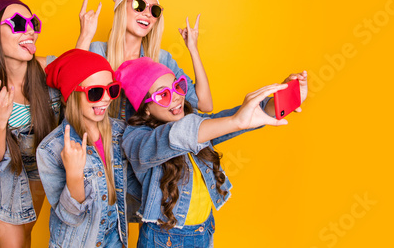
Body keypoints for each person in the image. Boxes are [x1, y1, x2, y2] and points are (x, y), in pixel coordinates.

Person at [114, 57, 308, 247]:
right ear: (145, 108)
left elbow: (237, 119)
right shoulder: (137, 139)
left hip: (204, 230)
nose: (176, 97)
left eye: (178, 86)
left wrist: (284, 97)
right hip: (165, 239)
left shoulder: (194, 121)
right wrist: (235, 121)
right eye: (163, 95)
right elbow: (175, 136)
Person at [0, 0, 60, 247]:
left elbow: (84, 79)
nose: (30, 30)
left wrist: (85, 35)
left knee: (25, 237)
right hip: (2, 176)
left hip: (39, 171)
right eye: (18, 23)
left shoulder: (49, 70)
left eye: (33, 22)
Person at [37, 49, 138, 247]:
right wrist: (74, 175)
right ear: (72, 95)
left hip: (116, 237)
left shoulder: (120, 132)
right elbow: (71, 217)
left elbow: (135, 183)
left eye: (112, 89)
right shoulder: (50, 149)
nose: (107, 98)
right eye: (95, 92)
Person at [76, 0, 213, 120]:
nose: (147, 14)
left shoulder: (162, 59)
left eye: (155, 11)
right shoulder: (97, 51)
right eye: (139, 5)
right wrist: (85, 36)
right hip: (102, 136)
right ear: (121, 8)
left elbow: (205, 105)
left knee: (197, 121)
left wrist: (193, 49)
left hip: (144, 139)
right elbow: (71, 98)